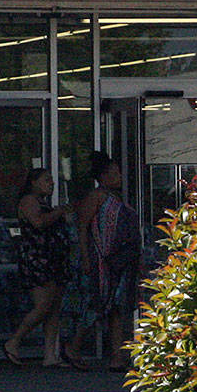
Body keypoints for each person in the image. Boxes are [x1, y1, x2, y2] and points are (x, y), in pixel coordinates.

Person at [64, 151, 141, 370]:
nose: (119, 177)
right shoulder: (96, 196)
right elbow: (82, 227)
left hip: (120, 261)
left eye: (119, 173)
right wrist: (86, 258)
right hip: (101, 260)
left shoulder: (117, 198)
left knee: (117, 307)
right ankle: (74, 347)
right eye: (114, 173)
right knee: (96, 305)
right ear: (103, 176)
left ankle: (117, 357)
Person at [3, 167, 73, 366]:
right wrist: (59, 212)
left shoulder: (44, 203)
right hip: (38, 259)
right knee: (43, 305)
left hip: (54, 259)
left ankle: (50, 354)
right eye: (46, 180)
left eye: (51, 180)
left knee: (53, 308)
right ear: (33, 182)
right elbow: (38, 223)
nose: (51, 184)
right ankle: (14, 340)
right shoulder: (29, 201)